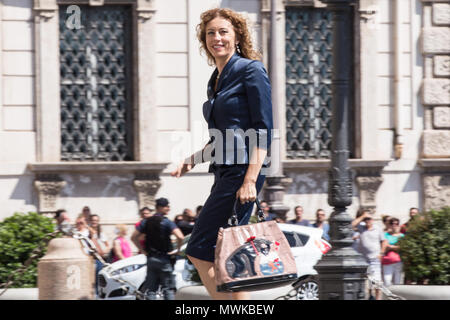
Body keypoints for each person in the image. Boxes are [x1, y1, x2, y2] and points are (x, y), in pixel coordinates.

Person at [170, 8, 273, 300]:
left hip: (243, 172)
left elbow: (263, 128)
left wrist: (250, 180)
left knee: (200, 248)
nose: (217, 38)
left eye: (223, 31)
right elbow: (225, 137)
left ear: (237, 36)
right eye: (211, 33)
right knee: (225, 253)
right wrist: (191, 160)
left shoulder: (250, 69)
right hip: (226, 170)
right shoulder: (216, 79)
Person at [131, 197, 184, 300]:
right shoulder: (167, 222)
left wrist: (142, 250)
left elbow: (133, 237)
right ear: (159, 207)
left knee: (151, 289)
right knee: (168, 289)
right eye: (166, 206)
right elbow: (180, 237)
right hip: (164, 259)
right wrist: (177, 250)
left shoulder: (146, 221)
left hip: (151, 258)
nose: (168, 208)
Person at [352, 211, 387, 300]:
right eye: (365, 219)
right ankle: (368, 297)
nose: (367, 221)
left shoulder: (377, 228)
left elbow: (384, 241)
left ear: (372, 219)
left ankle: (378, 299)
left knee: (377, 282)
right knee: (365, 283)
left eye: (369, 219)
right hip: (363, 260)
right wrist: (363, 216)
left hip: (374, 260)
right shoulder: (361, 227)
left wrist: (381, 253)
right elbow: (351, 225)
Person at [382, 217, 404, 287]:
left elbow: (402, 247)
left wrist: (391, 247)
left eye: (396, 223)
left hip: (399, 261)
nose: (394, 225)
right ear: (389, 225)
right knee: (387, 281)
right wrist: (395, 247)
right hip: (387, 260)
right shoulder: (385, 235)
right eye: (392, 223)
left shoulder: (401, 236)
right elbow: (384, 246)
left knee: (397, 282)